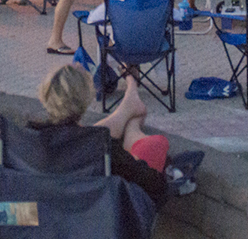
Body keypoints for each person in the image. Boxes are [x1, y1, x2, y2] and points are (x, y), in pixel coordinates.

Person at [32, 63, 169, 203]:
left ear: (45, 95)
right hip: (89, 218)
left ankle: (129, 112)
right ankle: (131, 121)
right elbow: (154, 183)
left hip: (40, 214)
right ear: (85, 99)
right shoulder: (99, 147)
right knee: (155, 144)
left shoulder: (28, 136)